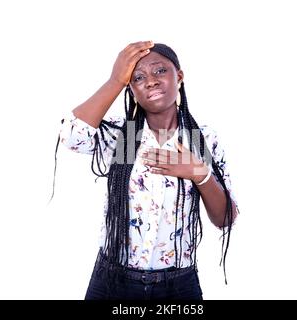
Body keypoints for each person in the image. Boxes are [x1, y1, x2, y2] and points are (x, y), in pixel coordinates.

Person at [52, 41, 239, 300]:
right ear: (131, 89)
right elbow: (72, 136)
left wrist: (199, 173)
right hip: (113, 281)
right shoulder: (122, 137)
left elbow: (226, 218)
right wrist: (115, 80)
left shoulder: (200, 139)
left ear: (180, 77)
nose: (150, 81)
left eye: (160, 71)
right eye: (138, 77)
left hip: (178, 285)